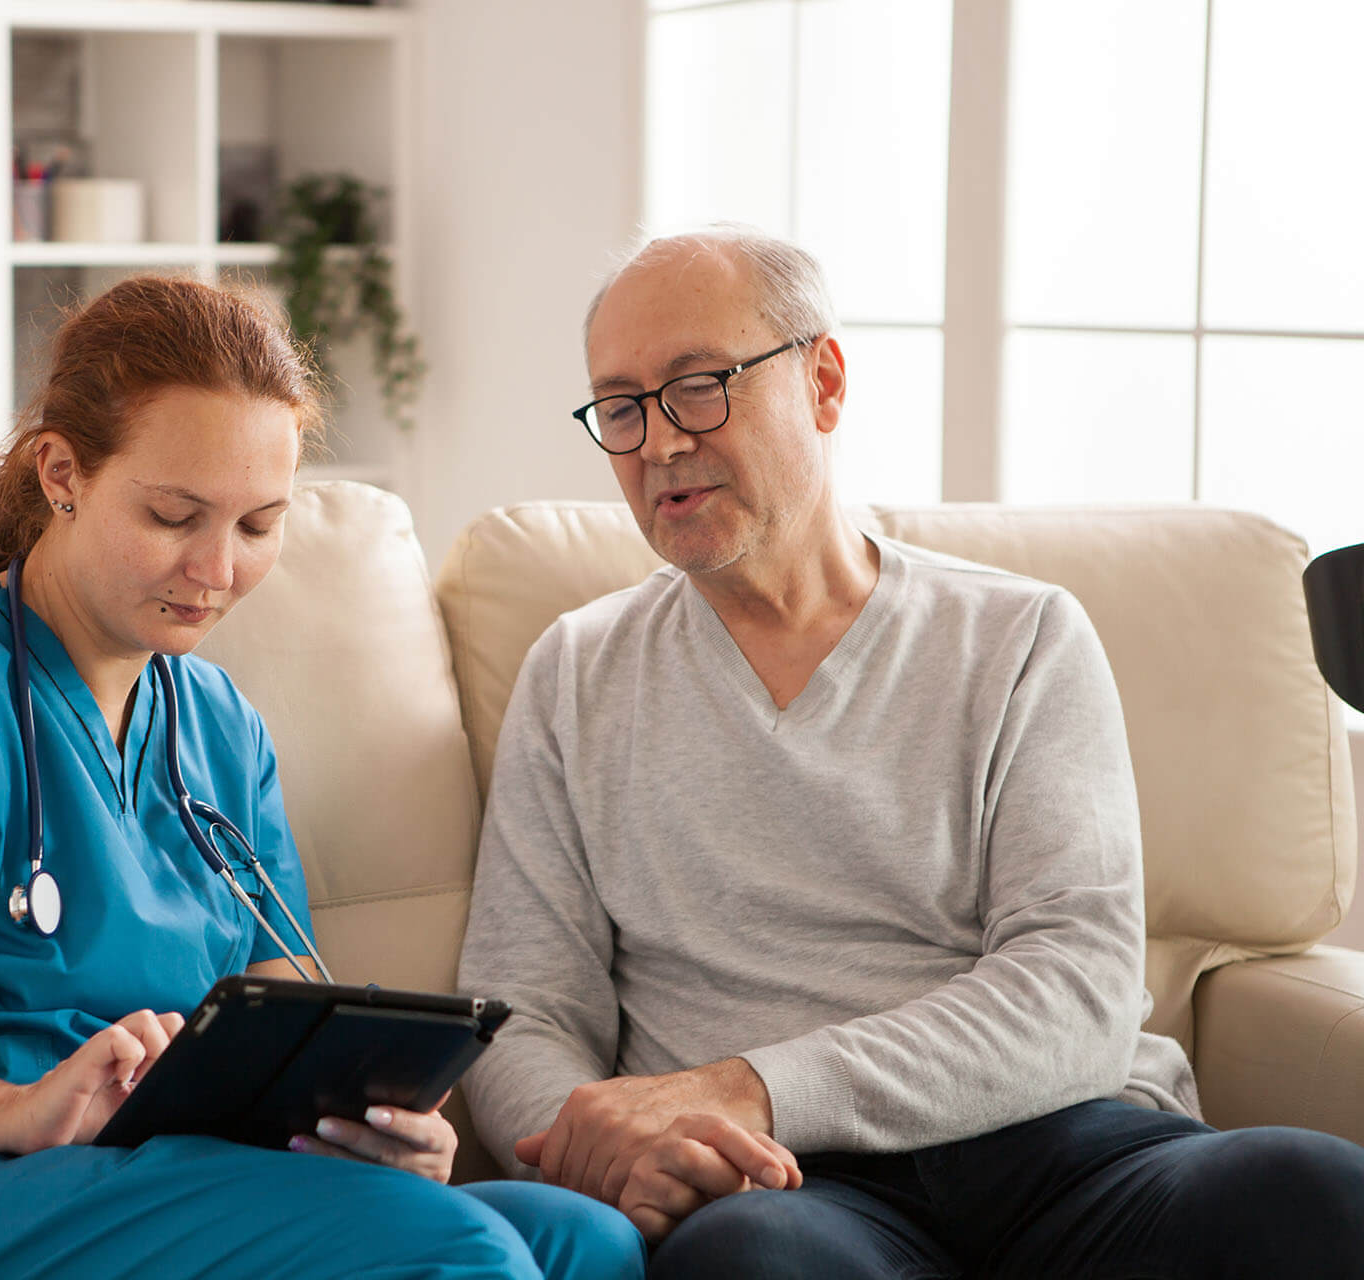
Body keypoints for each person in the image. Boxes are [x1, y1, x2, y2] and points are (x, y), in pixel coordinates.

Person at [0, 277, 645, 1280]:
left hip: (161, 1168)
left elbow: (289, 1011)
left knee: (579, 1238)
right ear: (62, 471)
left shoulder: (217, 726)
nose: (216, 567)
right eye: (174, 515)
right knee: (461, 1248)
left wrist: (378, 1127)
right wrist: (9, 1109)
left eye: (257, 525)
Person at [456, 225, 1364, 1277]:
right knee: (751, 1263)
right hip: (787, 1187)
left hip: (1065, 1147)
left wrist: (750, 1081)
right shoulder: (576, 673)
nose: (657, 442)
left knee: (1315, 1189)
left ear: (823, 381)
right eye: (620, 406)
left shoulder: (1021, 635)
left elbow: (1076, 985)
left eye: (698, 385)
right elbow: (521, 1010)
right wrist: (607, 1146)